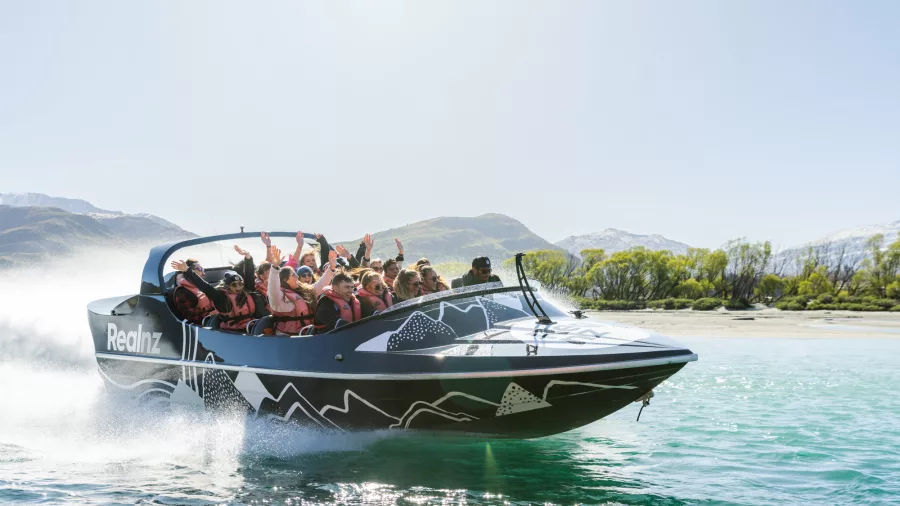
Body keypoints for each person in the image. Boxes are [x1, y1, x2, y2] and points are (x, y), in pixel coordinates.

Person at [171, 245, 266, 332]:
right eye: (234, 285)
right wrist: (187, 271)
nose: (238, 287)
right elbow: (204, 286)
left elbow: (249, 277)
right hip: (233, 331)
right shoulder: (221, 298)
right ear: (228, 287)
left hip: (252, 326)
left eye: (240, 284)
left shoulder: (245, 291)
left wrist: (248, 257)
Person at [268, 248, 337, 335]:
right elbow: (273, 288)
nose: (297, 277)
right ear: (285, 280)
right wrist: (274, 268)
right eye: (293, 275)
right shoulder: (278, 299)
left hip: (307, 333)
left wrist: (331, 268)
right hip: (287, 338)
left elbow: (319, 285)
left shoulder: (303, 290)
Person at [171, 258, 216, 324]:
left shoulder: (202, 286)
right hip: (204, 324)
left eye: (203, 269)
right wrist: (214, 313)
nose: (203, 273)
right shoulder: (183, 292)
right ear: (189, 271)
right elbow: (193, 317)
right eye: (199, 269)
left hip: (215, 317)